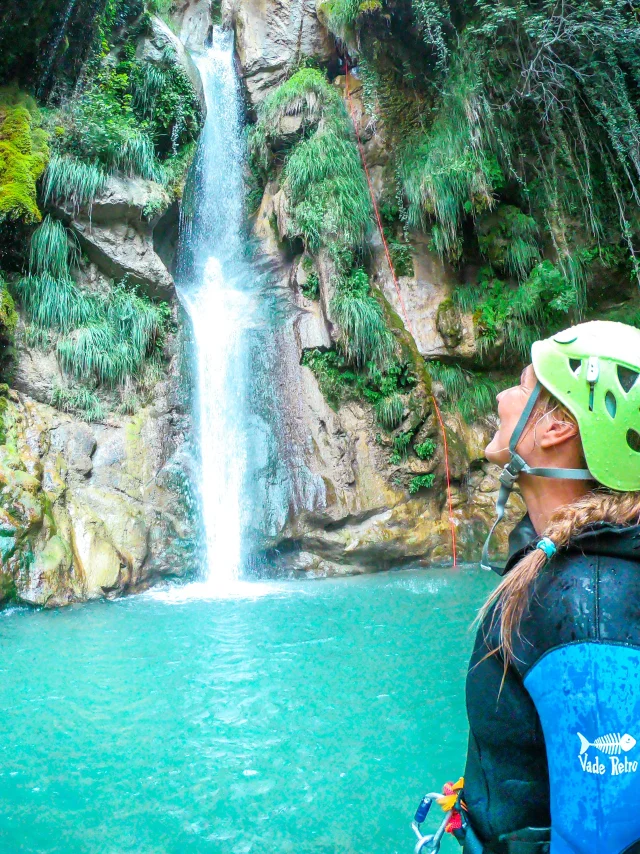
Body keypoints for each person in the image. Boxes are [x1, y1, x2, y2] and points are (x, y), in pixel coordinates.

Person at [461, 320, 640, 854]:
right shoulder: (567, 559)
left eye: (520, 385)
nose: (501, 395)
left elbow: (602, 839)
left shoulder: (589, 603)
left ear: (558, 427)